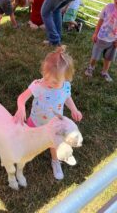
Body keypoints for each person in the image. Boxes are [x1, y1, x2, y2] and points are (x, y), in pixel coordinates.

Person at [14, 46, 82, 180]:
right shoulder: (39, 85)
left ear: (66, 78)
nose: (48, 83)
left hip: (54, 124)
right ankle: (24, 153)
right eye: (46, 78)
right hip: (35, 121)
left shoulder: (66, 86)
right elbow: (22, 98)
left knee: (54, 144)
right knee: (30, 138)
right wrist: (21, 107)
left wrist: (74, 109)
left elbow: (67, 97)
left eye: (54, 82)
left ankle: (55, 161)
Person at [85, 0, 117, 82]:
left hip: (113, 41)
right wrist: (95, 33)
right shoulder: (108, 7)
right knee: (95, 55)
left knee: (109, 58)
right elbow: (101, 20)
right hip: (102, 37)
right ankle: (90, 67)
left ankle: (104, 72)